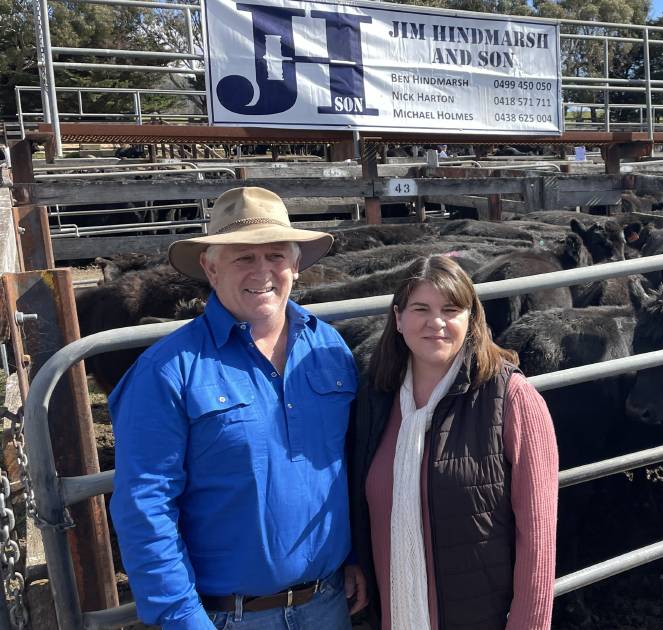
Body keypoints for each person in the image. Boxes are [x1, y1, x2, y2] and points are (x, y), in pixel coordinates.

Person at [109, 187, 363, 629]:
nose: (262, 271)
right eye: (243, 257)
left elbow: (346, 465)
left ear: (297, 264)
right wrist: (182, 617)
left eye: (276, 256)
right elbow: (145, 505)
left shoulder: (329, 347)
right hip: (230, 615)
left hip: (328, 601)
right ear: (210, 267)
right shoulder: (168, 370)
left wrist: (358, 555)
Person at [346, 255, 558, 630]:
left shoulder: (512, 398)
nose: (436, 323)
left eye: (451, 309)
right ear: (398, 318)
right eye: (421, 308)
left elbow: (538, 542)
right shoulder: (375, 399)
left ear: (471, 320)